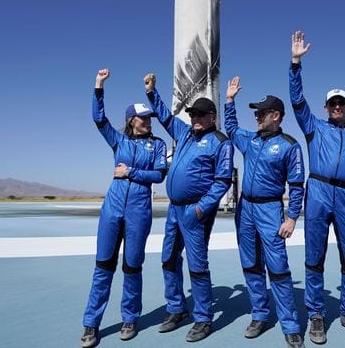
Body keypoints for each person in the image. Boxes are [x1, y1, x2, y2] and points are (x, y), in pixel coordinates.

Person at [289, 31, 345, 344]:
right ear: (326, 106)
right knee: (314, 256)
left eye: (341, 102)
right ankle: (316, 314)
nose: (336, 106)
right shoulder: (314, 127)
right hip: (317, 193)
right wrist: (296, 63)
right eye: (332, 103)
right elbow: (297, 101)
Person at [81, 68, 168, 348]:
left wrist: (130, 172)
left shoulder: (157, 145)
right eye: (143, 118)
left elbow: (158, 175)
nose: (148, 122)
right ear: (132, 120)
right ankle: (91, 325)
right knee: (103, 267)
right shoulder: (118, 140)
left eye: (149, 118)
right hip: (112, 210)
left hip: (139, 212)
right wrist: (98, 86)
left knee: (132, 267)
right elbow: (98, 118)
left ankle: (130, 318)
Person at [144, 73, 234, 342]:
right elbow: (163, 116)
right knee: (168, 259)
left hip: (195, 212)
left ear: (212, 117)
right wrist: (151, 93)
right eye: (193, 114)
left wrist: (201, 209)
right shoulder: (184, 133)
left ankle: (204, 318)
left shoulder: (220, 142)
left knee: (197, 266)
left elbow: (222, 181)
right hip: (174, 210)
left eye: (200, 114)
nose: (195, 118)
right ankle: (175, 309)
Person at [223, 77, 306, 348]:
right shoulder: (249, 140)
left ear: (276, 116)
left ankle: (290, 325)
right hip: (245, 208)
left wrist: (292, 217)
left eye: (261, 113)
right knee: (251, 264)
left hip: (271, 209)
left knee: (278, 268)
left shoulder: (289, 145)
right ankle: (259, 314)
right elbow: (232, 128)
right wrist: (229, 101)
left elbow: (296, 185)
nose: (256, 117)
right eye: (256, 113)